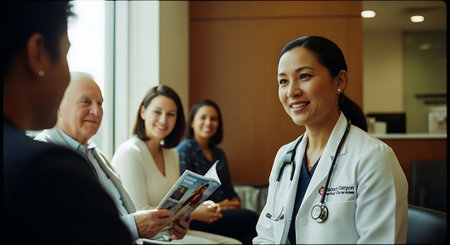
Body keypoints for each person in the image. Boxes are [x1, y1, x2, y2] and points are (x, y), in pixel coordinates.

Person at [253, 36, 408, 244]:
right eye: (283, 81)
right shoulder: (285, 157)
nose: (292, 91)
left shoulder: (374, 158)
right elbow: (266, 237)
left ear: (340, 81)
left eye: (304, 76)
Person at [2, 2, 132, 243]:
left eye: (100, 103)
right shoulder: (48, 171)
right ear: (38, 53)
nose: (95, 111)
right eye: (65, 54)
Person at [34, 72, 189, 242]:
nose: (96, 111)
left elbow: (124, 218)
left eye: (100, 103)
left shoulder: (95, 155)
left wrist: (166, 228)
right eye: (86, 101)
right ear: (58, 107)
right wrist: (134, 226)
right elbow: (65, 231)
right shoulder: (44, 156)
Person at [112, 85, 241, 244]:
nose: (164, 120)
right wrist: (195, 213)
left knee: (234, 243)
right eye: (157, 112)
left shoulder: (172, 154)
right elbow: (139, 216)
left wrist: (182, 224)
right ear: (143, 112)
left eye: (171, 114)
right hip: (145, 239)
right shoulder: (131, 153)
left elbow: (176, 205)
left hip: (166, 235)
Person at [176, 99, 259, 244]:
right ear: (192, 122)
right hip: (197, 217)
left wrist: (221, 207)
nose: (208, 123)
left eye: (213, 119)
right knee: (249, 218)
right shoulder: (184, 150)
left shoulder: (219, 154)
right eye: (203, 117)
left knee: (247, 234)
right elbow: (184, 199)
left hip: (222, 214)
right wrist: (220, 206)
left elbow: (235, 199)